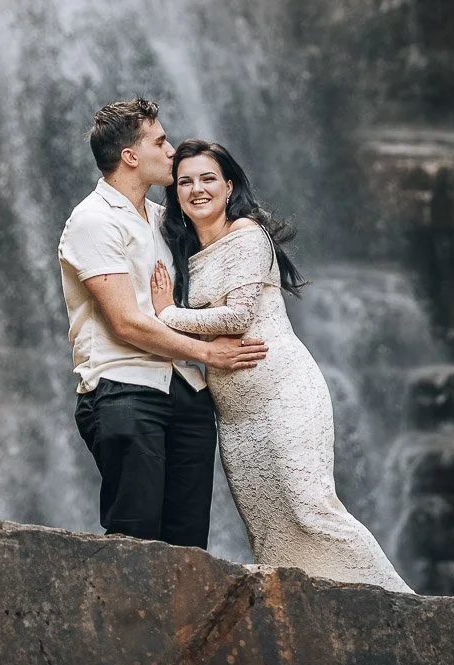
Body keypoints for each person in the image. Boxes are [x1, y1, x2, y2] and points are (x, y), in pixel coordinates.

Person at [150, 138, 413, 592]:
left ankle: (403, 608)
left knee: (311, 507)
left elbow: (238, 316)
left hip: (283, 394)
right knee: (271, 529)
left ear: (229, 186)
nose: (197, 189)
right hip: (235, 416)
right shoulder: (187, 252)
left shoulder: (247, 234)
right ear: (174, 193)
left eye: (208, 178)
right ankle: (316, 619)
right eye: (185, 181)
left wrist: (166, 315)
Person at [58, 99, 268, 548]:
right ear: (131, 156)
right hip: (125, 390)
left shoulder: (162, 217)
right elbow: (126, 323)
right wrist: (208, 353)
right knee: (134, 541)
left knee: (189, 545)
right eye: (160, 141)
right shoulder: (93, 221)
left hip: (188, 393)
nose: (171, 150)